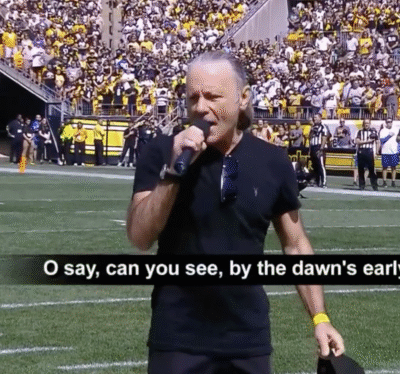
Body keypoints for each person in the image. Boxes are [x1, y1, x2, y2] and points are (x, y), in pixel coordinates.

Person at [126, 51, 344, 374]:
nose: (201, 107)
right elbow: (140, 236)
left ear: (242, 98)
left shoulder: (272, 161)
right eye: (193, 98)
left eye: (213, 97)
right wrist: (173, 171)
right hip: (177, 339)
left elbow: (296, 244)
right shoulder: (161, 151)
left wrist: (320, 318)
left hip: (247, 339)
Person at [355, 119, 379, 191]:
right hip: (361, 151)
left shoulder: (373, 132)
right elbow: (357, 142)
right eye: (365, 123)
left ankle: (374, 185)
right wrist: (367, 141)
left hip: (369, 151)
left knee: (371, 170)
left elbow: (378, 142)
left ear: (370, 124)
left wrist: (377, 151)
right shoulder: (360, 132)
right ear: (363, 124)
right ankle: (361, 185)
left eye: (368, 123)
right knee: (361, 170)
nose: (366, 125)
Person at [308, 113, 330, 187]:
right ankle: (317, 182)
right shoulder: (313, 127)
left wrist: (321, 148)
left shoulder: (323, 127)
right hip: (313, 147)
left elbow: (324, 137)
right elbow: (310, 138)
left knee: (321, 165)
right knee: (315, 165)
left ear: (320, 118)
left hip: (319, 147)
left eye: (316, 117)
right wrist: (310, 149)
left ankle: (324, 182)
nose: (315, 119)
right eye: (314, 117)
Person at [378, 118, 399, 187]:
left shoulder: (395, 129)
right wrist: (389, 136)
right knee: (385, 167)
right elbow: (382, 140)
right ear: (386, 122)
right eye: (388, 122)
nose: (389, 123)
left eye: (390, 122)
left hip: (394, 151)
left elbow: (398, 139)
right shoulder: (383, 130)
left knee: (394, 167)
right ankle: (384, 181)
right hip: (385, 151)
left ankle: (393, 182)